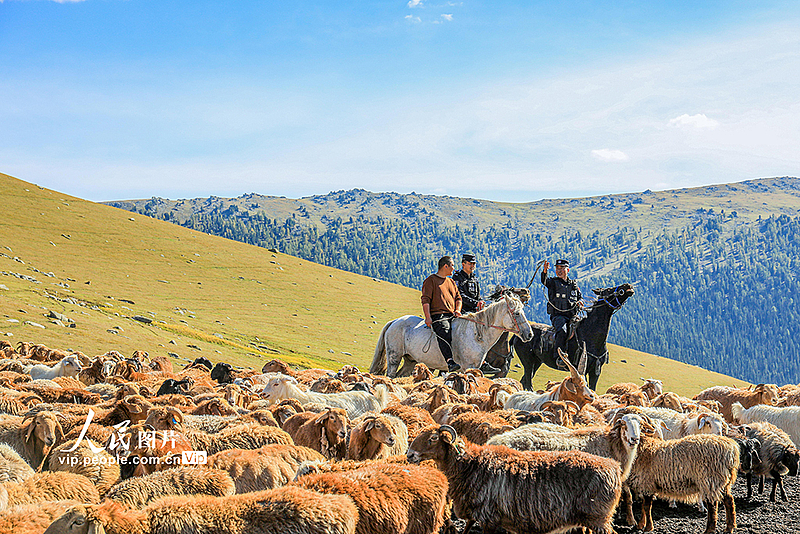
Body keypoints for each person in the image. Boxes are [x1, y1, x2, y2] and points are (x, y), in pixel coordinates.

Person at [453, 253, 500, 375]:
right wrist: (475, 303)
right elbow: (460, 295)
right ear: (463, 264)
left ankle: (482, 361)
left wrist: (480, 302)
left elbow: (477, 295)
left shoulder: (474, 278)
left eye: (474, 264)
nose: (472, 266)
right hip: (462, 313)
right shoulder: (458, 278)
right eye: (470, 264)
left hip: (475, 313)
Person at [422, 256, 463, 373]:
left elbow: (458, 298)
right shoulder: (431, 280)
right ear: (446, 266)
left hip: (452, 315)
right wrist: (428, 317)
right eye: (452, 266)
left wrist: (458, 310)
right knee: (444, 331)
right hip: (438, 316)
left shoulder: (451, 282)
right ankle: (449, 361)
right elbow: (426, 300)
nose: (454, 269)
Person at [541, 259, 583, 370]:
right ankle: (559, 357)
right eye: (557, 268)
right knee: (562, 331)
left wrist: (580, 301)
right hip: (558, 316)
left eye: (561, 268)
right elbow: (544, 281)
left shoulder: (573, 284)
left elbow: (579, 297)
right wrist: (545, 271)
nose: (559, 271)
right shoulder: (553, 282)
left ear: (567, 270)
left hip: (573, 316)